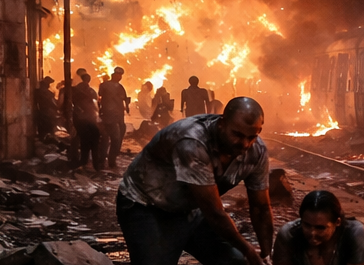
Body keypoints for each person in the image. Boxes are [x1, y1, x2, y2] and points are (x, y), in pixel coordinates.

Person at [116, 97, 274, 265]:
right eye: (237, 134)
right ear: (222, 123)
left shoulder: (257, 151)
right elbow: (214, 212)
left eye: (252, 137)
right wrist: (249, 250)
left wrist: (266, 254)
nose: (244, 144)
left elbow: (261, 208)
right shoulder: (192, 141)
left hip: (192, 209)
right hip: (146, 205)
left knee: (235, 261)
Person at [272, 190, 364, 265]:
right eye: (306, 225)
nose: (312, 233)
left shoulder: (354, 235)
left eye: (320, 228)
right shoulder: (289, 234)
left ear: (337, 222)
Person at [73, 70, 105, 171]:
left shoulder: (75, 90)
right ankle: (96, 165)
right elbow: (97, 106)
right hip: (91, 119)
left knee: (82, 142)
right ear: (89, 80)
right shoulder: (92, 91)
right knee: (94, 144)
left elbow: (71, 102)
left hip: (80, 119)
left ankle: (82, 162)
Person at [100, 66, 130, 169]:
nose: (120, 77)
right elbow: (100, 98)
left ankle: (105, 160)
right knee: (115, 139)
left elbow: (125, 100)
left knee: (108, 138)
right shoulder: (113, 86)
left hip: (115, 117)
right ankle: (110, 161)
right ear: (114, 75)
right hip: (111, 117)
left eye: (121, 75)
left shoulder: (111, 86)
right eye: (119, 75)